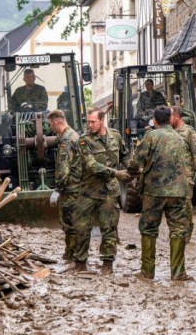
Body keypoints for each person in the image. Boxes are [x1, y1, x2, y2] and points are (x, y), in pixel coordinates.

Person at [127, 106, 191, 281]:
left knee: (148, 229)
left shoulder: (151, 136)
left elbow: (136, 161)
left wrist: (131, 172)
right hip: (178, 191)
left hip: (154, 192)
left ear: (154, 120)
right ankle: (178, 272)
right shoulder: (180, 138)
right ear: (170, 119)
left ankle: (147, 271)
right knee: (178, 230)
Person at [73, 108, 131, 274]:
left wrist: (133, 169)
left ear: (102, 120)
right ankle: (80, 263)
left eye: (93, 122)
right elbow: (91, 166)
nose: (90, 125)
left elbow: (125, 155)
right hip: (88, 192)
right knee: (82, 229)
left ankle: (107, 264)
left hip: (109, 192)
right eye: (88, 122)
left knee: (109, 228)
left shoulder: (116, 136)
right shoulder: (84, 141)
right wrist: (116, 173)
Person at [48, 110, 82, 262]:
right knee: (72, 221)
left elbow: (63, 168)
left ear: (56, 122)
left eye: (50, 124)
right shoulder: (74, 135)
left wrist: (58, 188)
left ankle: (73, 254)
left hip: (70, 187)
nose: (51, 128)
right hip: (77, 185)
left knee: (69, 222)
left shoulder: (66, 140)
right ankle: (71, 253)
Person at [170, 106, 196, 244]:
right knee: (173, 206)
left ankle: (187, 231)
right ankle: (177, 232)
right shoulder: (168, 132)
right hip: (171, 175)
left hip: (186, 175)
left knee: (186, 205)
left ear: (177, 117)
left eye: (170, 116)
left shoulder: (188, 131)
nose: (167, 119)